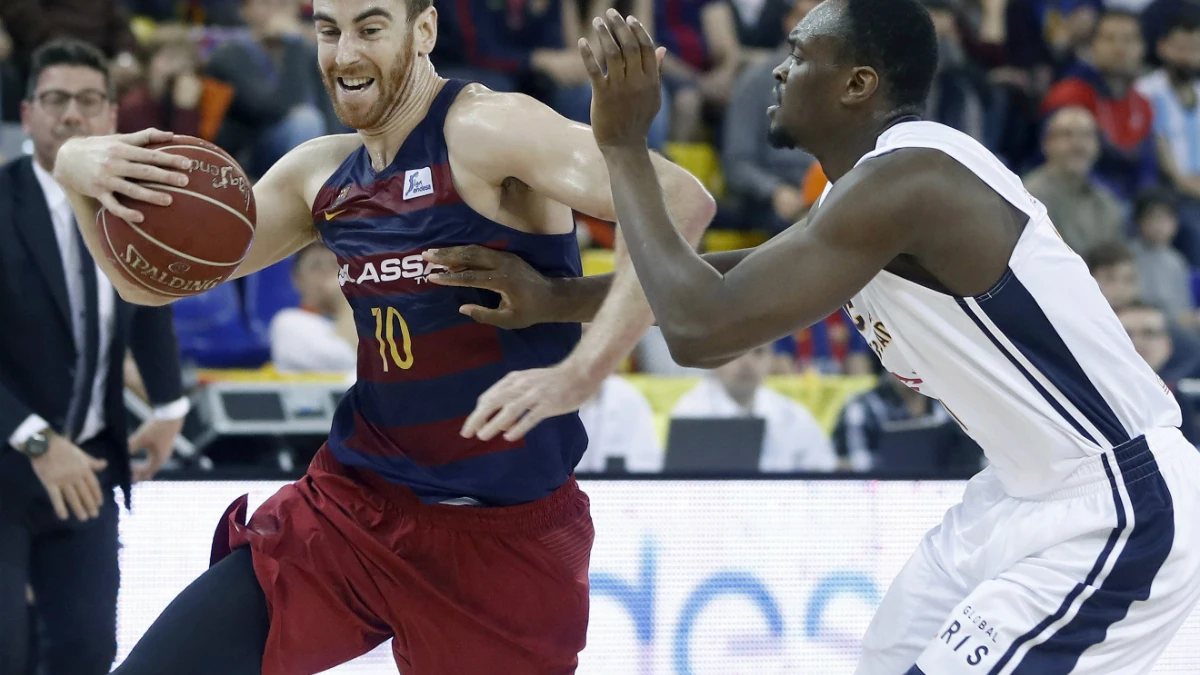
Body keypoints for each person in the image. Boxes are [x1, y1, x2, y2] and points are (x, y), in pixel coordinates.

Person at [428, 2, 1200, 671]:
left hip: (1116, 496)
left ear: (857, 84)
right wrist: (558, 297)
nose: (775, 69)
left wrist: (626, 144)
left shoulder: (908, 181)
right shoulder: (861, 192)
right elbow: (736, 276)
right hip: (1018, 491)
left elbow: (703, 328)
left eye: (798, 55)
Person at [52, 0, 715, 673]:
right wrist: (76, 168)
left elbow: (681, 203)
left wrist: (582, 371)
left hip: (501, 539)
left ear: (423, 31)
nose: (345, 55)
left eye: (370, 28)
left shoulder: (487, 130)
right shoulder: (321, 172)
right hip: (352, 511)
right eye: (329, 31)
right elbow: (159, 284)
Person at [0, 39, 187, 675]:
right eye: (55, 100)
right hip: (7, 464)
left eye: (87, 101)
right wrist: (35, 440)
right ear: (27, 115)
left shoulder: (131, 207)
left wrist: (169, 406)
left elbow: (151, 306)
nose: (71, 116)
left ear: (111, 116)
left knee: (88, 655)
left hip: (92, 465)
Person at [670, 343, 836, 472]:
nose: (747, 362)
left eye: (758, 352)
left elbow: (823, 473)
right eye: (736, 352)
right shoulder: (690, 414)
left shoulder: (792, 416)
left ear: (771, 359)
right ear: (714, 359)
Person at [268, 241, 356, 374]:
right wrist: (347, 300)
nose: (328, 273)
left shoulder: (370, 321)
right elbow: (345, 360)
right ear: (297, 278)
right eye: (316, 266)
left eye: (335, 264)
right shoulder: (289, 322)